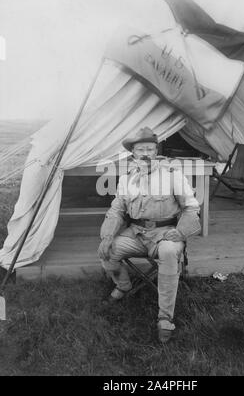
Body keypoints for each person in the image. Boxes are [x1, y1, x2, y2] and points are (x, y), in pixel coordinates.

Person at [98, 127, 201, 343]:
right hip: (136, 233)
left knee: (169, 252)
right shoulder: (126, 179)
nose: (145, 153)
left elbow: (191, 207)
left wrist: (181, 232)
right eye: (140, 149)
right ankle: (123, 286)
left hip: (165, 234)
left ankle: (165, 317)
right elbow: (117, 210)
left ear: (156, 151)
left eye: (150, 149)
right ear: (133, 153)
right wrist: (107, 235)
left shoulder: (173, 175)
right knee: (108, 252)